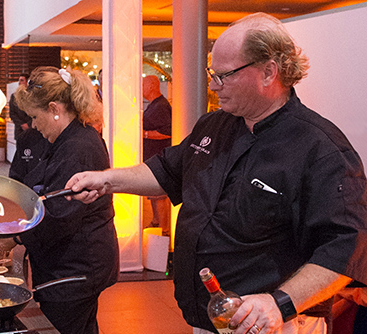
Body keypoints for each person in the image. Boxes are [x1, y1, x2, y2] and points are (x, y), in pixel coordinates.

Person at [65, 12, 367, 334]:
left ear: (268, 72)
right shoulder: (214, 124)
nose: (212, 85)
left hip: (276, 322)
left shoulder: (320, 148)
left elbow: (347, 246)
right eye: (212, 73)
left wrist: (278, 303)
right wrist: (106, 180)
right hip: (212, 318)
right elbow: (167, 171)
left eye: (223, 76)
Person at [0, 66, 119, 334]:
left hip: (76, 266)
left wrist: (15, 236)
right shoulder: (69, 138)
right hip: (75, 263)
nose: (35, 125)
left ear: (54, 108)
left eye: (36, 116)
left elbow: (60, 215)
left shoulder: (78, 146)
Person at [142, 75, 172, 236]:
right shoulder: (154, 105)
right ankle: (155, 221)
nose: (141, 89)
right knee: (153, 193)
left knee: (160, 194)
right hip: (152, 156)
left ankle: (165, 229)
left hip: (159, 155)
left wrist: (145, 134)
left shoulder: (161, 106)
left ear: (152, 86)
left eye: (143, 85)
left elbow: (167, 132)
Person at [9, 73, 31, 140]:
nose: (19, 83)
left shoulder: (32, 96)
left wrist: (29, 124)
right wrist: (21, 124)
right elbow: (12, 113)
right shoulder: (14, 96)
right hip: (19, 130)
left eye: (21, 80)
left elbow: (36, 113)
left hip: (31, 130)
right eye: (19, 81)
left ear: (27, 82)